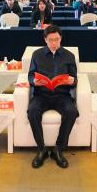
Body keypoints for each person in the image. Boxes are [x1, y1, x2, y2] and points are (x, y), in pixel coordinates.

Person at [27, 25, 78, 170]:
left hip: (61, 95)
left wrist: (72, 81)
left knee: (71, 111)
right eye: (51, 40)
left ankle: (58, 149)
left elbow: (75, 79)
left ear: (61, 39)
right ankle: (41, 149)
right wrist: (33, 81)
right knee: (32, 111)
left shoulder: (69, 56)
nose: (54, 43)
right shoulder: (37, 55)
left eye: (57, 39)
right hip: (41, 95)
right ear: (45, 40)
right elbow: (30, 75)